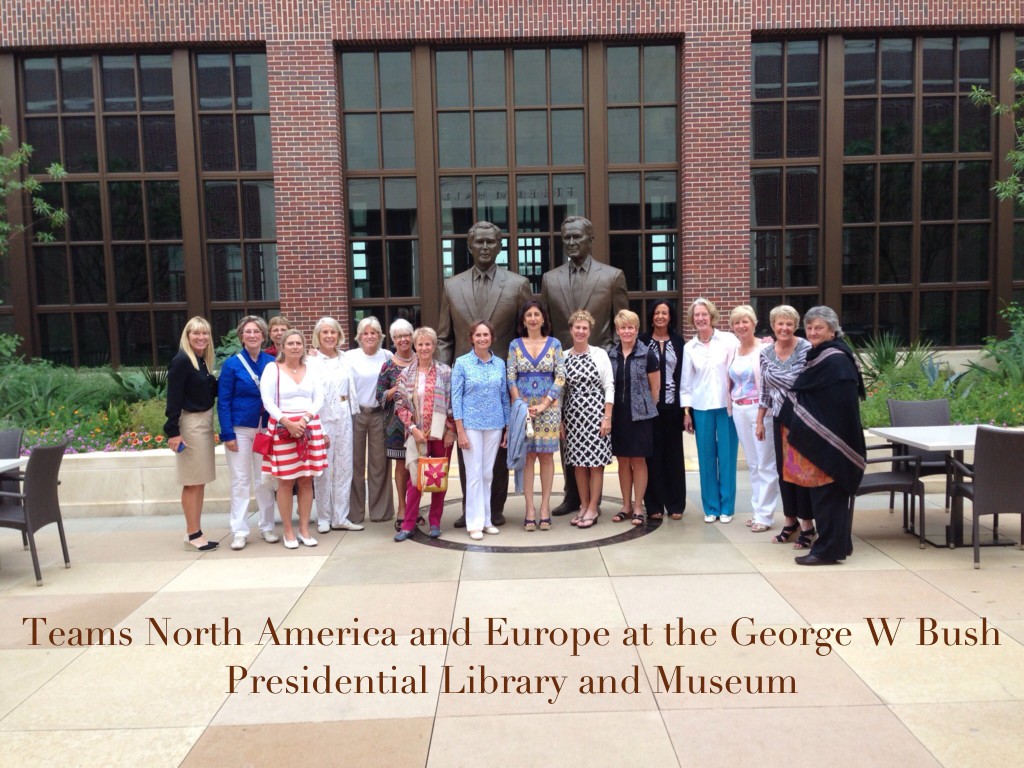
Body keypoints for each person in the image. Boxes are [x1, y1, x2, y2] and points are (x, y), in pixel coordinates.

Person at [437, 221, 532, 528]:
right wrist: (446, 380)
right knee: (468, 449)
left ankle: (494, 508)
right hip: (466, 379)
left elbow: (523, 333)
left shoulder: (517, 285)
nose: (485, 247)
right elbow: (444, 337)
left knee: (498, 450)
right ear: (470, 245)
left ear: (500, 245)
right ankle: (471, 510)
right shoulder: (452, 286)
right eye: (479, 242)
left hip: (502, 378)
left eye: (491, 242)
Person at [541, 215, 629, 516]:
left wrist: (610, 362)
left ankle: (594, 500)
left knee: (596, 438)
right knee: (568, 434)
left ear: (590, 239)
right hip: (564, 367)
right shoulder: (550, 279)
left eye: (577, 236)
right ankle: (572, 495)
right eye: (566, 237)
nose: (572, 242)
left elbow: (622, 324)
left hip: (597, 367)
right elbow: (549, 326)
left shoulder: (612, 276)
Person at [778, 306, 867, 565]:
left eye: (819, 328)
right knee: (828, 498)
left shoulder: (835, 359)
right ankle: (837, 545)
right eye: (809, 328)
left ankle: (826, 551)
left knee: (828, 497)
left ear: (832, 331)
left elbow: (838, 403)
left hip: (832, 439)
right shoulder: (823, 354)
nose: (813, 332)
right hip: (826, 437)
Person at [260, 329, 327, 548]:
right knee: (286, 482)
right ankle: (288, 531)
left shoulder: (312, 369)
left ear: (303, 346)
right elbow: (268, 401)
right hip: (282, 429)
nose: (295, 347)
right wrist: (287, 422)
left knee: (307, 480)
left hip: (309, 428)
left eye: (299, 343)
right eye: (290, 343)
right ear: (282, 346)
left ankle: (304, 530)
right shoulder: (273, 369)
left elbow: (319, 399)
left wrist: (305, 419)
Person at [217, 315, 279, 550]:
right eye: (248, 331)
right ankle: (240, 530)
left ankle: (267, 527)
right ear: (241, 336)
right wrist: (227, 434)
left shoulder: (271, 362)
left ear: (263, 336)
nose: (252, 335)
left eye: (257, 332)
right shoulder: (232, 364)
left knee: (265, 480)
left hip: (265, 429)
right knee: (241, 481)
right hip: (240, 430)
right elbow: (223, 401)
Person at [755, 305, 814, 548]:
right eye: (780, 323)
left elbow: (801, 381)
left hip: (802, 418)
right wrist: (760, 420)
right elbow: (765, 388)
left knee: (801, 473)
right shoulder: (765, 352)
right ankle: (790, 521)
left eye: (789, 323)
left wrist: (780, 378)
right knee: (783, 471)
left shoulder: (806, 348)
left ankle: (808, 524)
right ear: (773, 325)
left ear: (795, 325)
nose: (785, 328)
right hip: (778, 418)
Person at [394, 327, 456, 541]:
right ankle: (408, 523)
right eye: (420, 344)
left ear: (434, 346)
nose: (424, 348)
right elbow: (400, 405)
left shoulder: (446, 372)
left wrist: (451, 431)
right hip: (417, 434)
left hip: (441, 434)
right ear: (415, 346)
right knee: (415, 481)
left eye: (428, 343)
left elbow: (452, 403)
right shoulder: (406, 373)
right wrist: (413, 429)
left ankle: (435, 521)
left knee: (438, 477)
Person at [507, 300, 565, 531]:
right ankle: (530, 508)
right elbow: (510, 376)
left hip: (548, 408)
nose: (532, 318)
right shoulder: (514, 345)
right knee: (528, 457)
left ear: (543, 319)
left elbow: (560, 376)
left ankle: (545, 508)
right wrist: (519, 402)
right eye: (528, 315)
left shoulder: (554, 344)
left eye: (536, 314)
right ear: (523, 320)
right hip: (523, 408)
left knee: (547, 458)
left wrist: (545, 403)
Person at [681, 298, 740, 524]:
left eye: (704, 314)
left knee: (726, 457)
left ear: (711, 316)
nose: (700, 318)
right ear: (692, 319)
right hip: (701, 408)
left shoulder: (728, 339)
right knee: (705, 458)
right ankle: (711, 507)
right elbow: (686, 383)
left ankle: (726, 507)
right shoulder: (689, 347)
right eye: (696, 315)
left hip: (727, 407)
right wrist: (686, 412)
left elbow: (745, 355)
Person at [164, 316, 219, 551]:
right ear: (187, 336)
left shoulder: (201, 361)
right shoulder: (182, 361)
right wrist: (173, 431)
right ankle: (192, 533)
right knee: (192, 482)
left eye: (205, 333)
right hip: (190, 426)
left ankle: (195, 530)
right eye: (196, 333)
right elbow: (173, 397)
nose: (201, 337)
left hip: (204, 424)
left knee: (200, 481)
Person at [452, 321, 511, 541]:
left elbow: (505, 397)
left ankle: (486, 519)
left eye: (486, 334)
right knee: (474, 474)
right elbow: (456, 398)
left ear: (492, 338)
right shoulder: (462, 363)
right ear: (472, 338)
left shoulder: (499, 364)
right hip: (471, 425)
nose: (482, 338)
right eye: (478, 335)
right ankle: (473, 522)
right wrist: (460, 430)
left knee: (487, 474)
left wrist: (507, 427)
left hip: (495, 424)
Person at [307, 317, 363, 534]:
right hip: (321, 419)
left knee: (344, 467)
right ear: (318, 336)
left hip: (344, 417)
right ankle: (323, 517)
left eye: (333, 332)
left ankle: (341, 516)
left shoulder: (346, 359)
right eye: (325, 332)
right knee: (322, 469)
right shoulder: (311, 362)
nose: (329, 336)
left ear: (339, 335)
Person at [728, 305, 780, 532]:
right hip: (739, 410)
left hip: (761, 412)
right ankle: (758, 509)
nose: (741, 326)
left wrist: (761, 416)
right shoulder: (734, 351)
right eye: (737, 322)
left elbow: (770, 384)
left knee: (766, 464)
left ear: (754, 323)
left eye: (745, 321)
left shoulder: (766, 349)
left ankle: (765, 515)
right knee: (752, 464)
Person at [561, 310, 613, 529]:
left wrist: (607, 417)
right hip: (573, 418)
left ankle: (593, 506)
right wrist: (559, 420)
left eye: (585, 328)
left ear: (590, 331)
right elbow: (560, 391)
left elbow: (609, 386)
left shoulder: (599, 354)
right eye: (577, 327)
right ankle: (583, 505)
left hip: (595, 416)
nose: (580, 331)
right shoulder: (563, 357)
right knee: (578, 465)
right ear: (571, 330)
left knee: (595, 465)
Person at [609, 309, 659, 526]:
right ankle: (626, 505)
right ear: (617, 330)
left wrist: (645, 407)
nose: (627, 331)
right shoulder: (611, 354)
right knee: (622, 461)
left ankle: (638, 506)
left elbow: (655, 389)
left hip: (641, 416)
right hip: (617, 415)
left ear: (637, 330)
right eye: (623, 327)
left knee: (638, 460)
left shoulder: (647, 353)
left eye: (630, 327)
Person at [639, 301, 687, 521]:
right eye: (656, 312)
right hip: (648, 410)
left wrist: (687, 412)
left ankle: (676, 503)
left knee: (674, 457)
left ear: (670, 317)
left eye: (664, 313)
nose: (660, 316)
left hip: (672, 408)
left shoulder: (679, 342)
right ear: (651, 317)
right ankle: (654, 505)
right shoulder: (642, 341)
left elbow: (684, 378)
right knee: (652, 457)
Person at [346, 316, 395, 524]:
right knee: (354, 464)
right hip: (355, 414)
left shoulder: (387, 355)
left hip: (379, 414)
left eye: (373, 332)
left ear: (380, 336)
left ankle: (380, 512)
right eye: (365, 333)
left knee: (380, 464)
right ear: (359, 336)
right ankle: (353, 513)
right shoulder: (348, 356)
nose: (369, 336)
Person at [376, 318, 417, 530]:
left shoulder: (422, 360)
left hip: (419, 424)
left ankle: (414, 508)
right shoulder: (388, 366)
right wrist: (397, 387)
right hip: (396, 425)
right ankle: (402, 507)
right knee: (402, 467)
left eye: (407, 335)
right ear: (393, 340)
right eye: (399, 336)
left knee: (417, 467)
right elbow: (379, 397)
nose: (403, 339)